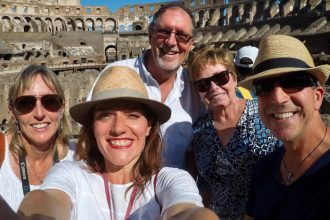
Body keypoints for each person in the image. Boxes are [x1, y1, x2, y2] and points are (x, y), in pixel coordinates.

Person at [16, 66, 219, 220]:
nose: (118, 128)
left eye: (132, 115)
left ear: (148, 126)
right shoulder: (70, 173)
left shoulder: (170, 180)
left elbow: (188, 211)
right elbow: (47, 200)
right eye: (105, 116)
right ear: (92, 127)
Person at [87, 2, 204, 169]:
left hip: (172, 190)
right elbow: (89, 140)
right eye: (164, 32)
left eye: (181, 35)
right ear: (150, 35)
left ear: (191, 43)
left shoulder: (196, 88)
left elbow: (193, 152)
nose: (171, 41)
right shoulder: (114, 74)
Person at [240, 35, 330, 219]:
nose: (278, 98)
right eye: (264, 87)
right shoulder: (264, 170)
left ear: (318, 96)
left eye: (293, 81)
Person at [188, 47, 281, 220]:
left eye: (220, 78)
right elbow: (205, 186)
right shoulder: (200, 130)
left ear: (234, 78)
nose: (214, 88)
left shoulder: (264, 113)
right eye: (203, 84)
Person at [0, 65, 75, 211]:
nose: (39, 113)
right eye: (26, 103)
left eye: (50, 101)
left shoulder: (80, 157)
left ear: (62, 107)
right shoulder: (1, 152)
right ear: (13, 111)